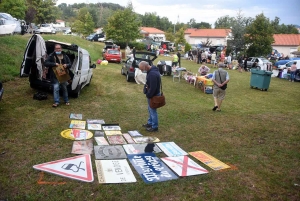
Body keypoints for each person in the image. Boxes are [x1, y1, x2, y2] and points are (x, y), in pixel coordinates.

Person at [139, 61, 161, 132]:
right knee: (150, 109)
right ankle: (150, 123)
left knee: (153, 111)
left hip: (153, 95)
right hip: (152, 94)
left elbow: (153, 88)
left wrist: (148, 95)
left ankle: (154, 127)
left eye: (142, 69)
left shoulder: (152, 74)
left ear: (145, 67)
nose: (142, 71)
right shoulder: (152, 70)